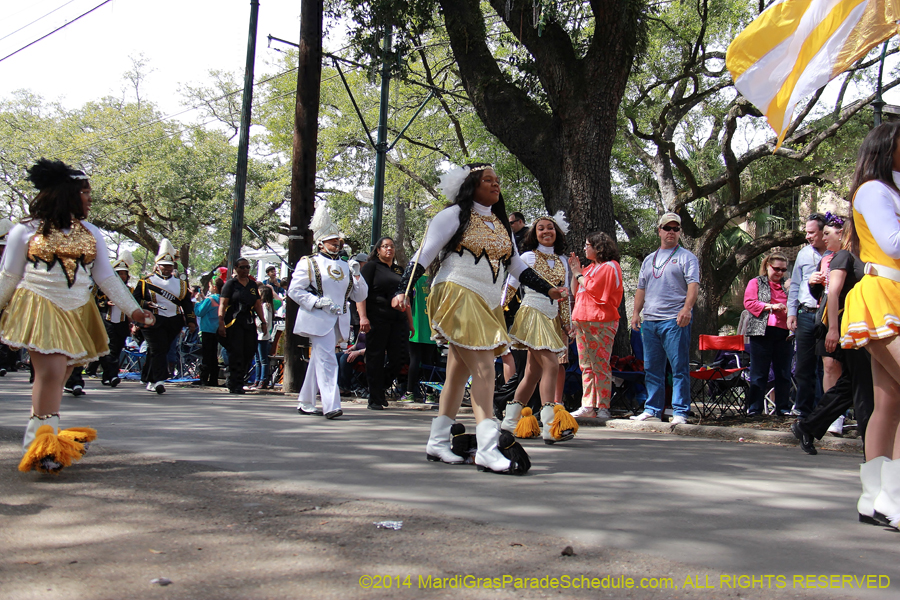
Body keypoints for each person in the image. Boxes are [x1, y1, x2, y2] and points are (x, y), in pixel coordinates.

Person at [392, 163, 566, 474]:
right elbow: (426, 253)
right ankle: (487, 447)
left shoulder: (500, 224)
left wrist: (549, 288)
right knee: (485, 366)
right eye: (488, 180)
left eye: (497, 181)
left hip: (487, 301)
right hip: (458, 291)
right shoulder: (453, 215)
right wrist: (403, 288)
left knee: (458, 374)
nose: (495, 185)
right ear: (472, 184)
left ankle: (438, 441)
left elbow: (517, 268)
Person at [0, 158, 153, 473]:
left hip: (78, 309)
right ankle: (45, 448)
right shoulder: (25, 230)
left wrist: (134, 310)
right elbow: (9, 277)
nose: (89, 198)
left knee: (61, 375)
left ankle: (39, 438)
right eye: (85, 192)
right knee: (52, 373)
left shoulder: (92, 232)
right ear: (67, 193)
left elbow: (107, 278)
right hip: (39, 305)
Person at [838, 122, 900, 528]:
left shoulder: (889, 188)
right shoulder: (874, 190)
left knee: (889, 401)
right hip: (883, 293)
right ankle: (893, 499)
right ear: (888, 147)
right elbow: (893, 242)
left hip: (891, 294)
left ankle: (876, 498)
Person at [792, 217, 873, 455]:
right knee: (862, 384)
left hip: (857, 326)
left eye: (829, 233)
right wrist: (835, 331)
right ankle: (872, 445)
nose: (825, 238)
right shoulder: (843, 256)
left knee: (850, 384)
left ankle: (808, 426)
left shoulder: (852, 256)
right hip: (848, 327)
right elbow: (833, 294)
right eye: (824, 233)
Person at [501, 213, 578, 443]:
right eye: (541, 229)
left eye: (550, 228)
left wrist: (567, 324)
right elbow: (511, 286)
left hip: (552, 316)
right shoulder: (527, 257)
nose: (546, 232)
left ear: (557, 233)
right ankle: (550, 424)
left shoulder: (563, 260)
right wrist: (498, 313)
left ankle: (510, 421)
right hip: (532, 313)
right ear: (534, 234)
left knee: (532, 373)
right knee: (552, 365)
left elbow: (564, 295)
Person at [288, 201, 368, 419]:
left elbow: (360, 296)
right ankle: (332, 405)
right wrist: (316, 302)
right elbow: (294, 290)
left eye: (337, 240)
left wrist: (358, 275)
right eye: (332, 241)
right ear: (321, 243)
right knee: (327, 359)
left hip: (339, 320)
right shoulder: (309, 262)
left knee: (320, 359)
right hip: (317, 317)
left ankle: (305, 401)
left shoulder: (346, 265)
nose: (336, 244)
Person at [630, 212, 699, 424]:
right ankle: (652, 409)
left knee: (678, 367)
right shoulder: (650, 259)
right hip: (650, 321)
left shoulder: (688, 257)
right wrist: (635, 313)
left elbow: (693, 286)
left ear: (679, 232)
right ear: (659, 230)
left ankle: (679, 411)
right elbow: (641, 288)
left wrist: (687, 309)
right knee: (651, 367)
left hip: (675, 320)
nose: (671, 232)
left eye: (675, 229)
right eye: (667, 228)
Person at [567, 231, 624, 423]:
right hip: (582, 321)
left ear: (599, 247)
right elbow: (577, 292)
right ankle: (588, 406)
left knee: (600, 364)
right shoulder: (590, 268)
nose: (584, 248)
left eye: (587, 245)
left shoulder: (610, 266)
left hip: (601, 322)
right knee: (586, 366)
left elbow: (596, 290)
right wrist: (575, 273)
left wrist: (578, 273)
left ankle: (603, 406)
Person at [133, 239, 196, 394]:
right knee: (158, 348)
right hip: (152, 320)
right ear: (157, 265)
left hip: (173, 321)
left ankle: (148, 377)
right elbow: (134, 300)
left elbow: (186, 304)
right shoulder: (145, 282)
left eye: (170, 266)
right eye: (164, 266)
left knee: (161, 349)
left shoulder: (181, 284)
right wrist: (147, 304)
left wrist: (190, 320)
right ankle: (158, 380)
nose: (167, 269)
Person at [357, 236, 412, 410]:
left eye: (392, 246)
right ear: (378, 250)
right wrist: (363, 317)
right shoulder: (371, 267)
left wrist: (410, 323)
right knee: (376, 357)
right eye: (385, 246)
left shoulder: (398, 270)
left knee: (399, 359)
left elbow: (406, 297)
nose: (389, 249)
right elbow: (360, 293)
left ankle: (379, 388)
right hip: (377, 318)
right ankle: (374, 397)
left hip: (398, 320)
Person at [787, 213, 829, 417]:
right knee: (804, 364)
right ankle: (803, 409)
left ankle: (826, 410)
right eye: (806, 232)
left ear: (824, 232)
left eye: (812, 232)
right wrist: (791, 312)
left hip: (828, 314)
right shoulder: (804, 254)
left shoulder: (837, 253)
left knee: (827, 365)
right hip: (805, 314)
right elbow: (795, 284)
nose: (808, 236)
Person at [743, 251, 793, 416]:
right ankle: (755, 408)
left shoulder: (787, 284)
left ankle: (783, 408)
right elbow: (749, 303)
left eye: (783, 270)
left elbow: (795, 305)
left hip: (784, 333)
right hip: (761, 332)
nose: (780, 273)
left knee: (783, 372)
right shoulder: (756, 282)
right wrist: (771, 306)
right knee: (759, 372)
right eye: (777, 269)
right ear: (767, 266)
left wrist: (791, 289)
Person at [218, 257, 266, 394]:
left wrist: (263, 321)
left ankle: (240, 378)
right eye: (242, 267)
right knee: (236, 352)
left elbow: (257, 304)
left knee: (249, 351)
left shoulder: (252, 285)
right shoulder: (230, 284)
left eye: (247, 267)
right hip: (234, 322)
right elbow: (223, 304)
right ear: (236, 269)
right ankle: (235, 382)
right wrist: (221, 323)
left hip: (249, 322)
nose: (245, 270)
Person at [96, 250, 135, 387]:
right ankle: (111, 375)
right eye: (120, 273)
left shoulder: (130, 290)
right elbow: (97, 301)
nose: (122, 276)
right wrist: (107, 303)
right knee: (108, 349)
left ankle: (109, 375)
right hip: (107, 321)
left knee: (117, 349)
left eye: (124, 273)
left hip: (122, 323)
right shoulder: (105, 287)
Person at [403, 272, 436, 402]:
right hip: (431, 327)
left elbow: (407, 303)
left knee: (415, 359)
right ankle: (430, 394)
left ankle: (409, 392)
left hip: (416, 324)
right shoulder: (435, 279)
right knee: (429, 361)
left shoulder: (414, 279)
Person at [194, 277, 223, 386]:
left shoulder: (210, 300)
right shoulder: (222, 299)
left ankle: (204, 378)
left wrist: (197, 302)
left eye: (210, 286)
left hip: (207, 329)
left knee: (206, 355)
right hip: (218, 329)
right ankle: (213, 378)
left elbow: (199, 312)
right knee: (214, 355)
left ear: (214, 287)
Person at [254, 282, 274, 389]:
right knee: (257, 359)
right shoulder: (262, 306)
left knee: (263, 359)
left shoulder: (265, 306)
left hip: (262, 335)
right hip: (258, 334)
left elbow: (265, 320)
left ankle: (263, 379)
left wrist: (257, 324)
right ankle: (257, 379)